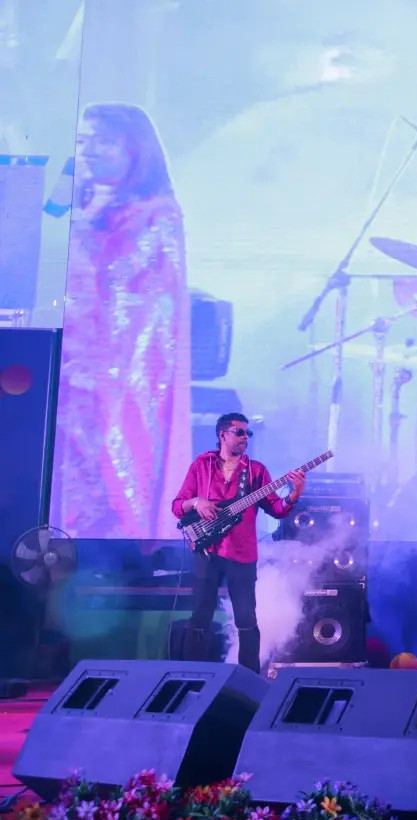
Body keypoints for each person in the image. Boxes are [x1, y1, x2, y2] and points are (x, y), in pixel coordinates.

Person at [52, 102, 192, 539]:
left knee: (104, 495)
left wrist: (96, 366)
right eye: (83, 142)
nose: (90, 151)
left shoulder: (156, 214)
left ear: (135, 150)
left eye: (104, 142)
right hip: (65, 373)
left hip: (112, 380)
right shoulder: (74, 205)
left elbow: (137, 299)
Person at [171, 413, 306, 672]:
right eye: (240, 432)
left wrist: (294, 493)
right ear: (223, 434)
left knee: (246, 619)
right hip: (208, 551)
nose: (246, 437)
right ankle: (190, 676)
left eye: (248, 433)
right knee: (200, 617)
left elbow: (277, 509)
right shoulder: (201, 465)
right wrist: (197, 502)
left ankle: (249, 679)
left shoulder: (256, 470)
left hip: (242, 554)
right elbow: (177, 506)